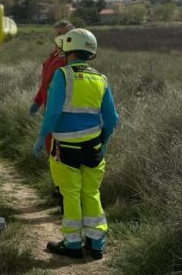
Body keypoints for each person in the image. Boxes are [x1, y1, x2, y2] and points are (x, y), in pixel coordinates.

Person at [32, 28, 119, 260]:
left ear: (69, 50)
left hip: (65, 149)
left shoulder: (63, 75)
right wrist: (104, 143)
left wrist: (42, 137)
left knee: (70, 193)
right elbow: (112, 119)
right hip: (93, 148)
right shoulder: (101, 79)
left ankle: (72, 244)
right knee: (91, 192)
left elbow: (52, 113)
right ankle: (97, 242)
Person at [31, 20, 75, 210]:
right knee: (53, 154)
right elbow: (45, 83)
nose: (60, 37)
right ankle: (60, 192)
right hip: (50, 108)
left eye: (64, 34)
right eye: (58, 33)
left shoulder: (69, 59)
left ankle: (65, 198)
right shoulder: (55, 54)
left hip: (62, 113)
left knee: (61, 156)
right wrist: (37, 101)